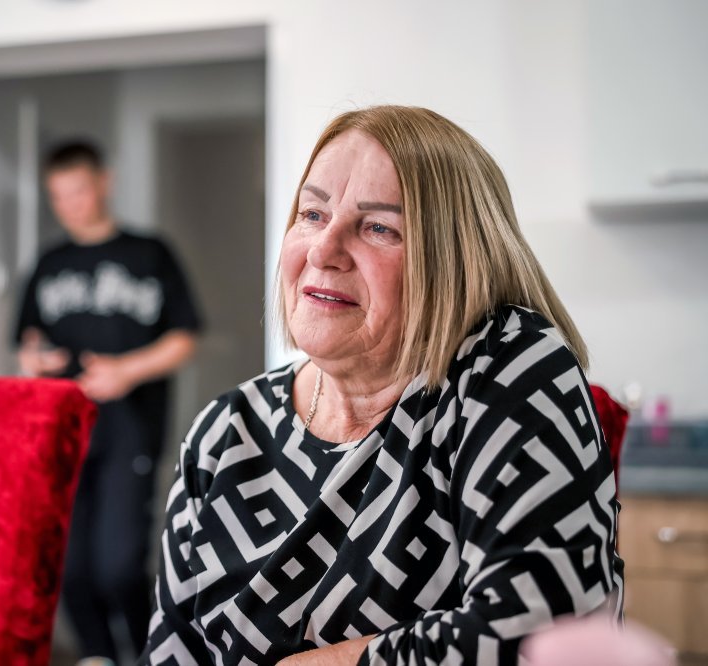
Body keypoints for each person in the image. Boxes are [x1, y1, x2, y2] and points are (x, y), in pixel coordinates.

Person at [140, 106, 623, 665]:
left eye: (378, 228)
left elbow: (547, 638)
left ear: (454, 260)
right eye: (312, 214)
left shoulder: (506, 365)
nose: (323, 250)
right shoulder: (224, 430)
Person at [14, 140, 202, 665]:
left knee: (119, 566)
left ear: (104, 182)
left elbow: (184, 338)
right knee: (70, 569)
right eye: (57, 196)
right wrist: (36, 359)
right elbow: (27, 341)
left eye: (77, 191)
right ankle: (98, 657)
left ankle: (149, 655)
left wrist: (126, 371)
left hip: (129, 430)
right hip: (65, 433)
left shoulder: (150, 254)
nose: (69, 205)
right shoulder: (49, 263)